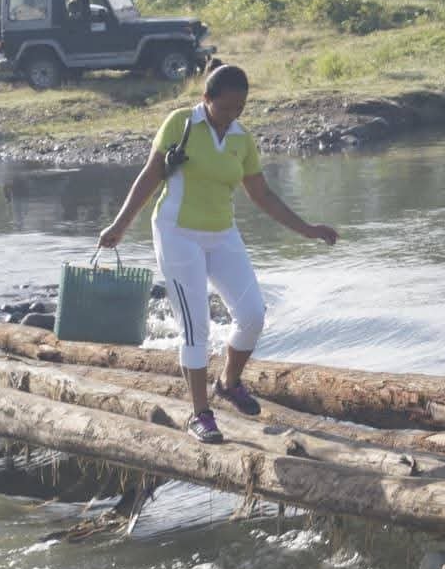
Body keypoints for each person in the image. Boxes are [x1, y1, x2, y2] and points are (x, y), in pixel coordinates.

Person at [97, 59, 339, 444]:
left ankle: (228, 382)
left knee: (253, 315)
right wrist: (121, 224)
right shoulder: (181, 124)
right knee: (196, 328)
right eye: (225, 107)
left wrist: (307, 230)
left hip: (222, 234)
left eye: (240, 108)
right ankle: (200, 415)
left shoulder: (242, 139)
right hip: (177, 234)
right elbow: (150, 175)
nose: (232, 115)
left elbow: (262, 195)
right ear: (206, 98)